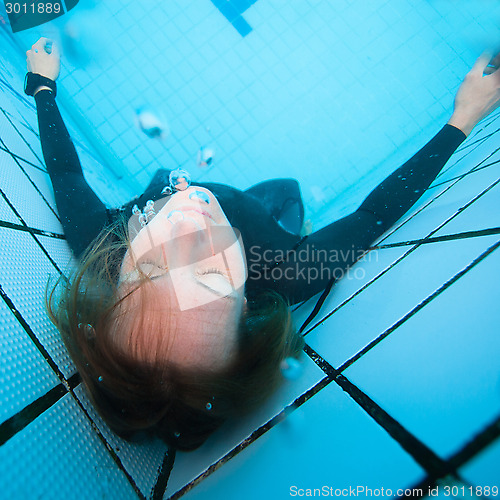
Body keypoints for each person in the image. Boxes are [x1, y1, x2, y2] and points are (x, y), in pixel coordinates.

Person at [25, 37, 500, 450]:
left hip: (225, 211)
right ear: (246, 306)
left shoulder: (99, 244)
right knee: (286, 191)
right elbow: (373, 215)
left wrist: (42, 84)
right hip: (265, 218)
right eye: (211, 275)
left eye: (152, 267)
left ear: (121, 261)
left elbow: (66, 172)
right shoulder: (285, 275)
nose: (190, 224)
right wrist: (466, 116)